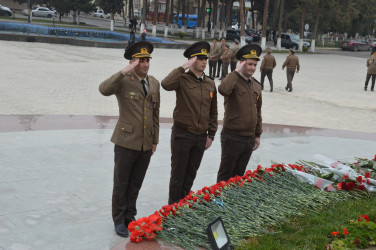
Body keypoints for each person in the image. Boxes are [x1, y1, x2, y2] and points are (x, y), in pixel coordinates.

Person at [99, 41, 160, 238]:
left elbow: (155, 114)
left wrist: (154, 140)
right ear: (133, 62)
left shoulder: (154, 82)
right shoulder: (124, 81)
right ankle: (118, 220)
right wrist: (125, 70)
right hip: (126, 141)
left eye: (147, 60)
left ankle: (130, 216)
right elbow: (104, 89)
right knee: (121, 183)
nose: (145, 64)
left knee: (135, 183)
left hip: (145, 142)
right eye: (141, 61)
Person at [161, 41, 218, 205]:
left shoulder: (210, 83)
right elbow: (165, 84)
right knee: (178, 176)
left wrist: (211, 135)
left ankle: (182, 206)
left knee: (190, 175)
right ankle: (171, 210)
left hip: (200, 138)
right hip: (183, 134)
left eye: (205, 58)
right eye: (200, 58)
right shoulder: (182, 79)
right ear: (192, 60)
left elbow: (213, 111)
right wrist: (183, 67)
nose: (204, 62)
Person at [216, 44, 263, 183]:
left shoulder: (256, 85)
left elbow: (258, 111)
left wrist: (258, 134)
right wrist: (235, 72)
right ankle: (219, 203)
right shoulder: (233, 80)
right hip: (232, 136)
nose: (252, 68)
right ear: (241, 63)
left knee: (239, 176)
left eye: (254, 65)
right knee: (225, 175)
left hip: (249, 138)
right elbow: (223, 89)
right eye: (249, 64)